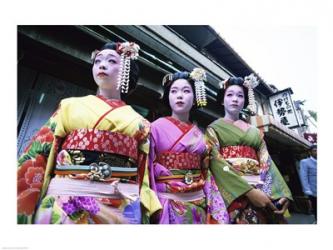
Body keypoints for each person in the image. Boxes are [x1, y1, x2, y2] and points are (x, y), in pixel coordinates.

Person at [17, 41, 161, 224]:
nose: (102, 65)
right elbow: (40, 153)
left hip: (119, 206)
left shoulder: (141, 123)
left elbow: (142, 173)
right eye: (98, 60)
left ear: (126, 69)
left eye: (111, 61)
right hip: (65, 201)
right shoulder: (69, 105)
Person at [205, 75, 293, 224]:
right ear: (222, 100)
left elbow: (266, 162)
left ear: (245, 101)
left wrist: (281, 192)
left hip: (260, 190)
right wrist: (247, 190)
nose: (235, 99)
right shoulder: (213, 128)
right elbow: (216, 162)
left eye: (240, 96)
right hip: (231, 191)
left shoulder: (255, 131)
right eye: (230, 95)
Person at [148, 68, 229, 224]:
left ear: (195, 97)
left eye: (186, 91)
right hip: (166, 201)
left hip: (198, 201)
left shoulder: (201, 135)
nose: (179, 95)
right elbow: (147, 167)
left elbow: (206, 173)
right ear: (168, 96)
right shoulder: (155, 127)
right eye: (174, 91)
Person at [299, 144, 317, 221]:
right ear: (310, 152)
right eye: (315, 151)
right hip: (314, 191)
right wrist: (307, 190)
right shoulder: (305, 162)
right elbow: (303, 176)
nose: (317, 152)